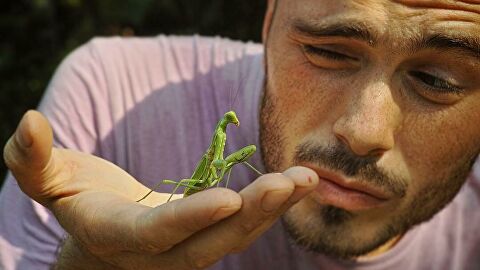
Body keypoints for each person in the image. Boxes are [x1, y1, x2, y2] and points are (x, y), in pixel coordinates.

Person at [1, 0, 480, 269]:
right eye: (328, 52)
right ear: (268, 21)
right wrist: (88, 264)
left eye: (438, 80)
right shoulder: (109, 94)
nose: (363, 131)